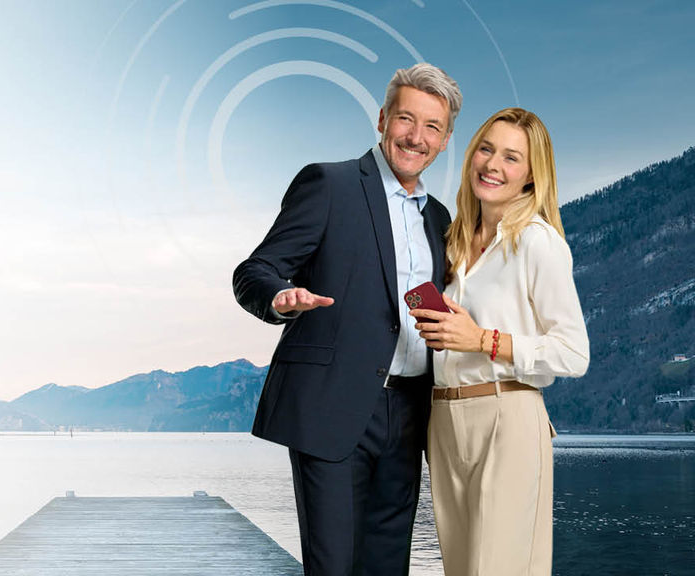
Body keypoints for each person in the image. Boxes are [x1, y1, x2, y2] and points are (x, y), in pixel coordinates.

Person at [233, 63, 461, 575]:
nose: (416, 137)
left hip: (409, 413)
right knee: (333, 565)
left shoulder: (441, 220)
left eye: (432, 128)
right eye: (406, 119)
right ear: (382, 119)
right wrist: (280, 296)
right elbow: (255, 270)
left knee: (387, 565)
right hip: (330, 405)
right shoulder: (329, 184)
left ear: (446, 140)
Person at [410, 107, 589, 576]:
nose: (493, 165)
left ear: (532, 176)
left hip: (506, 415)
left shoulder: (537, 241)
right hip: (445, 420)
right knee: (462, 568)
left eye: (512, 157)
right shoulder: (453, 242)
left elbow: (573, 352)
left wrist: (482, 339)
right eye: (486, 150)